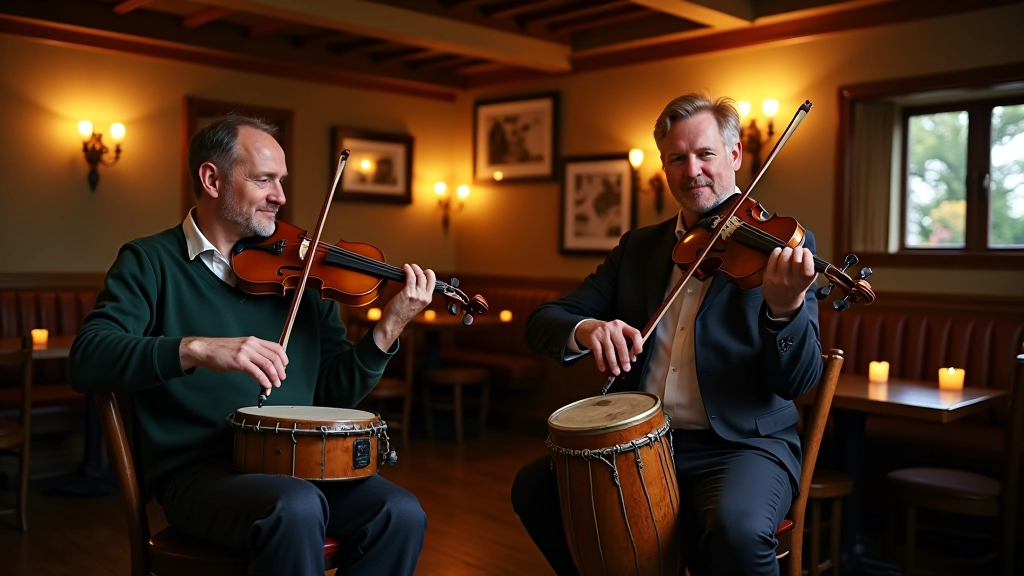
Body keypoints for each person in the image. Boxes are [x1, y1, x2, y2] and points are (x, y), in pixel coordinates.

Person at [69, 114, 432, 576]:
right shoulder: (150, 262)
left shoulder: (303, 275)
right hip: (200, 472)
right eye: (264, 180)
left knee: (399, 513)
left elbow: (331, 397)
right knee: (295, 507)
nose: (280, 196)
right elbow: (88, 358)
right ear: (212, 179)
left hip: (302, 460)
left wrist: (389, 327)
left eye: (281, 180)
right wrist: (197, 348)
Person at [511, 92, 823, 576]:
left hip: (741, 446)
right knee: (535, 488)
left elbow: (799, 381)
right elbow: (545, 321)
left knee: (736, 532)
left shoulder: (780, 248)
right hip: (642, 441)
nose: (691, 170)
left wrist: (785, 311)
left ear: (736, 155)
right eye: (676, 158)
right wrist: (588, 327)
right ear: (664, 166)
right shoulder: (640, 247)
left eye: (705, 154)